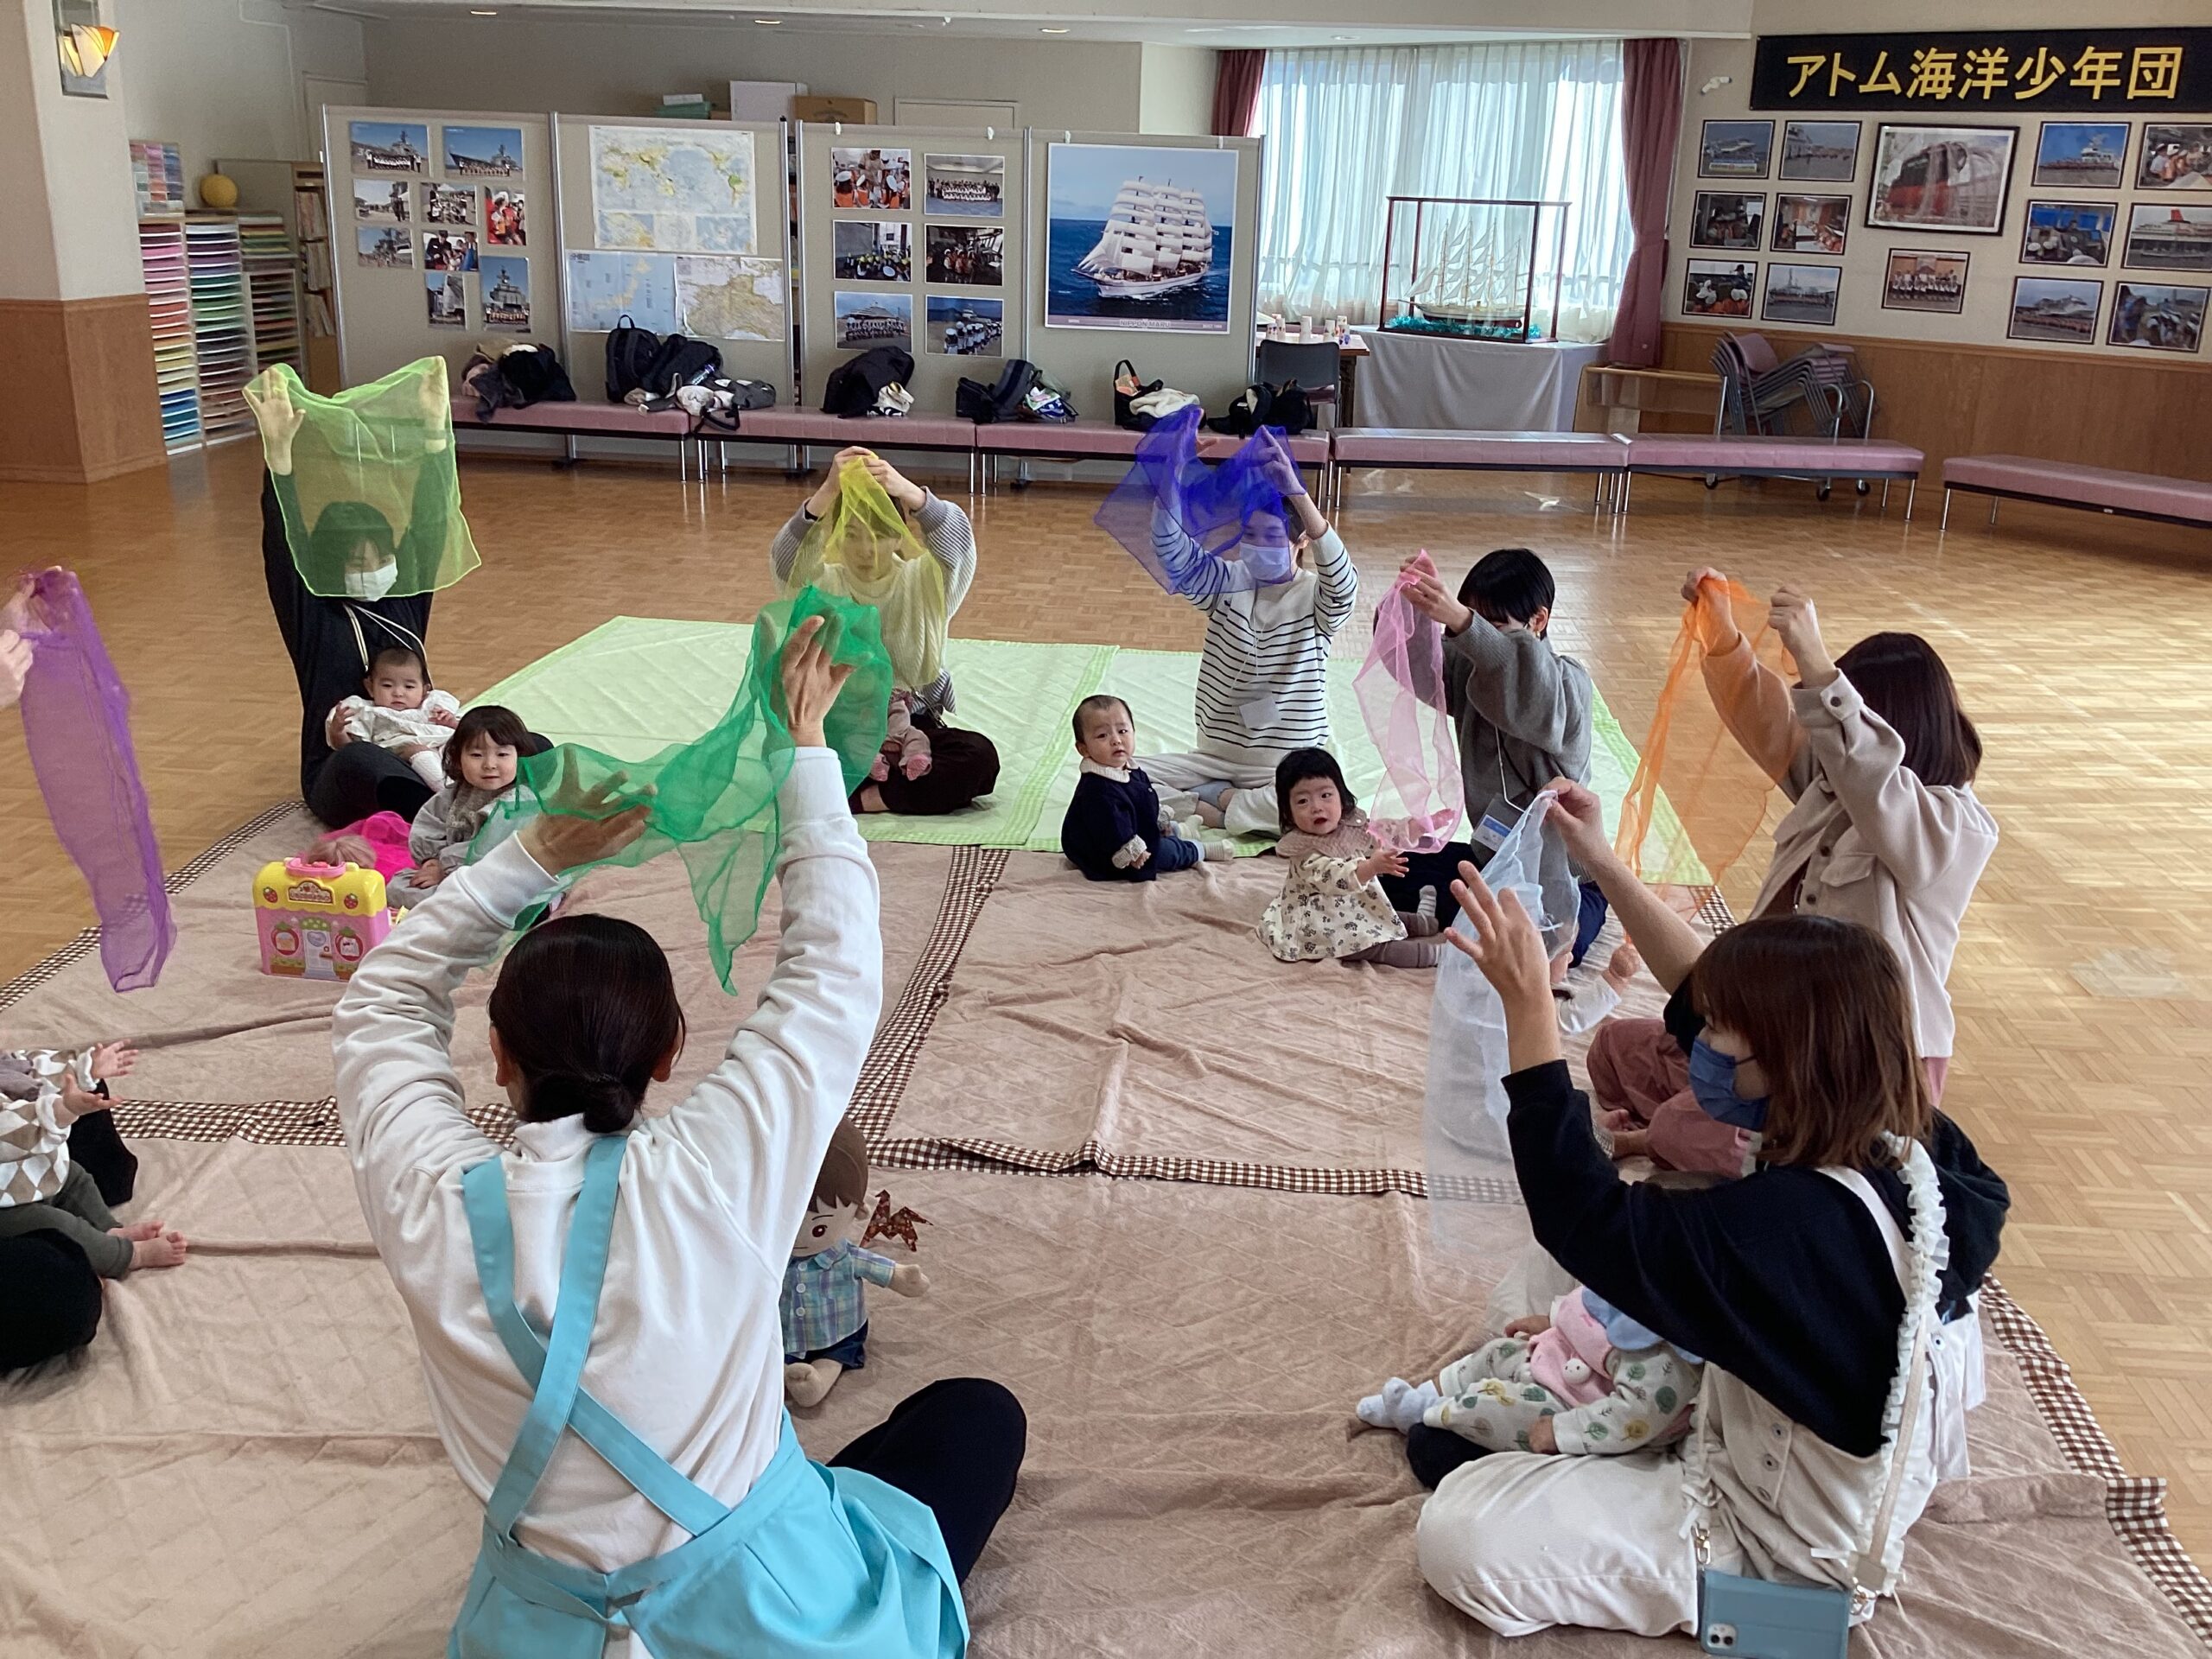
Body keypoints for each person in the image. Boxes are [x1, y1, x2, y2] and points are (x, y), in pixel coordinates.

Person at [332, 619, 1024, 1653]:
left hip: (540, 1626)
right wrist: (806, 750)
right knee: (975, 1415)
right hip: (769, 1617)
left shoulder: (425, 1193)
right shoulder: (717, 1167)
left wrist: (526, 859)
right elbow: (833, 970)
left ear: (496, 1055)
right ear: (669, 1054)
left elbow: (381, 1001)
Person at [1411, 779, 2007, 1638]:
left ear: (1785, 1061)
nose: (1696, 1042)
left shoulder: (1788, 1226)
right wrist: (1599, 860)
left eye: (1724, 1033)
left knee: (1461, 1534)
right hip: (1782, 1404)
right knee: (1537, 1283)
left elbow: (1579, 1213)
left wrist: (1531, 1011)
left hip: (1777, 1535)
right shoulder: (1903, 1132)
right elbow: (1700, 990)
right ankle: (1629, 1411)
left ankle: (1781, 1621)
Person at [1594, 575, 1997, 1176]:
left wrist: (1817, 663)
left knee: (1682, 1124)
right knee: (1616, 1049)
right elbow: (1769, 722)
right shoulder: (1835, 788)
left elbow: (1876, 786)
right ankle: (1705, 1136)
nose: (1824, 735)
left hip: (1850, 1070)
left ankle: (1686, 1142)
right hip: (1774, 1037)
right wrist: (1723, 635)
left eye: (1844, 718)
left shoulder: (1950, 827)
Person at [1137, 432, 1357, 838]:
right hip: (1215, 757)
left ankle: (1217, 805)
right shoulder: (1227, 581)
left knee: (1328, 809)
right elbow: (1170, 548)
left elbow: (1343, 583)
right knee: (1119, 777)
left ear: (1300, 541)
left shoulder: (1316, 597)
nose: (1257, 546)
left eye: (1271, 538)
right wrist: (1174, 474)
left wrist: (1298, 494)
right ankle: (1224, 804)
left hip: (1285, 762)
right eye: (1250, 536)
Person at [256, 371, 448, 826]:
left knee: (509, 735)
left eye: (383, 556)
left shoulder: (404, 598)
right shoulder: (314, 615)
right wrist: (278, 458)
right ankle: (443, 820)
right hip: (342, 770)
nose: (376, 567)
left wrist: (435, 437)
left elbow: (428, 527)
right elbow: (283, 543)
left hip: (424, 753)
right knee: (363, 760)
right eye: (361, 561)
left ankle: (499, 801)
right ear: (331, 565)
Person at [770, 448, 1001, 817]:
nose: (866, 550)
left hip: (911, 725)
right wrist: (828, 491)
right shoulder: (823, 584)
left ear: (898, 536)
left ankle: (863, 799)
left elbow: (958, 549)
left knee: (978, 758)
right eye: (852, 535)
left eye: (879, 535)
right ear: (836, 536)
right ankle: (899, 791)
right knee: (785, 760)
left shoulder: (924, 580)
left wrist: (908, 491)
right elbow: (786, 563)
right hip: (841, 724)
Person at [1396, 548, 1594, 938]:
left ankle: (1582, 914)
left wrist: (1463, 621)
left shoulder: (1569, 683)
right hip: (1493, 855)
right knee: (1394, 871)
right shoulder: (1472, 667)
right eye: (1474, 621)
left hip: (1563, 870)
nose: (1476, 637)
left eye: (1494, 626)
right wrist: (1414, 603)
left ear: (1539, 620)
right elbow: (1418, 664)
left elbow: (1529, 695)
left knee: (1548, 942)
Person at [1357, 1283, 1701, 1459]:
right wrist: (1554, 1321)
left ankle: (1428, 1414)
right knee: (1494, 1352)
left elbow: (1635, 1416)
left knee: (1496, 1404)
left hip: (1579, 1410)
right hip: (1559, 1362)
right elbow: (1588, 1310)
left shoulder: (1666, 1360)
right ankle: (1422, 1396)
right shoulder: (1624, 1285)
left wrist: (1563, 1431)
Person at [0, 1042, 184, 1278]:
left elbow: (36, 1068)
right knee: (52, 1222)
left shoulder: (6, 1065)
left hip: (18, 1175)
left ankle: (108, 1230)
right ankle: (129, 1256)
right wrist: (57, 1111)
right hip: (5, 1206)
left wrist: (84, 1070)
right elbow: (8, 1129)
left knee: (75, 1177)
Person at [1259, 749, 1441, 968]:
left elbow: (1384, 833)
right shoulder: (1303, 850)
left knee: (1382, 914)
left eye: (1325, 795)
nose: (1316, 807)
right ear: (1288, 812)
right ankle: (1437, 955)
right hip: (1321, 922)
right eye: (1303, 801)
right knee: (1371, 943)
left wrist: (1419, 826)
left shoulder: (1350, 826)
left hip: (1354, 906)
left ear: (1341, 796)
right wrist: (1371, 866)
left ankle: (1425, 924)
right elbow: (1335, 877)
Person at [1059, 694, 1224, 882]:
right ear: (1084, 749)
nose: (1116, 740)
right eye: (1102, 735)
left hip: (1131, 828)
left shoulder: (1127, 768)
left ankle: (1181, 831)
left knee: (1160, 830)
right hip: (1108, 852)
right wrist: (1134, 852)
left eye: (1122, 731)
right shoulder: (1098, 791)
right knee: (1165, 853)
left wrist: (1158, 818)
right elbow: (1110, 830)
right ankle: (1199, 850)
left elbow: (1144, 798)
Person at [386, 704, 531, 911]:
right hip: (450, 872)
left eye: (502, 755)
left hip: (497, 876)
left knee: (492, 899)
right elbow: (430, 823)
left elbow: (487, 848)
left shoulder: (519, 800)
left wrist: (446, 867)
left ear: (520, 757)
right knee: (396, 887)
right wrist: (431, 860)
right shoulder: (455, 792)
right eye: (476, 755)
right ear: (458, 758)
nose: (490, 764)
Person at [331, 645, 464, 788]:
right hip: (401, 758)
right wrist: (338, 732)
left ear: (424, 690)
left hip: (445, 747)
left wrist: (451, 722)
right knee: (417, 750)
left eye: (409, 687)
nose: (398, 693)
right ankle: (447, 792)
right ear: (370, 687)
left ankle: (470, 790)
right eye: (387, 686)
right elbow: (352, 751)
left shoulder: (433, 705)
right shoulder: (367, 712)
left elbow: (464, 730)